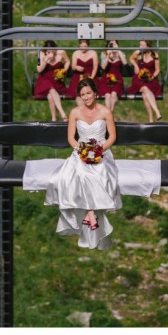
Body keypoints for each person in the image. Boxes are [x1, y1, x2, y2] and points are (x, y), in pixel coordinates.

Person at [45, 78, 122, 250]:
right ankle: (90, 213)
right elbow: (71, 138)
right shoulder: (75, 112)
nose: (86, 97)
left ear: (95, 92)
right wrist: (82, 150)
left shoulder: (105, 112)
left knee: (98, 172)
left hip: (101, 150)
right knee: (75, 173)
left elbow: (112, 137)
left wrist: (99, 150)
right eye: (82, 95)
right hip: (82, 150)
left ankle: (90, 214)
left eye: (88, 93)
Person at [127, 40, 163, 122]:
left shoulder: (154, 55)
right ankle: (157, 111)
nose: (141, 47)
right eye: (140, 45)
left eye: (143, 46)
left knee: (144, 95)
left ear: (148, 46)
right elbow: (131, 59)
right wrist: (135, 65)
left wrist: (152, 77)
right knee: (145, 88)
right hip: (139, 79)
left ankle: (151, 119)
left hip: (150, 79)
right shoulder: (138, 53)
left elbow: (157, 69)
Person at [34, 40, 70, 121]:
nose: (51, 54)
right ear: (45, 51)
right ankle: (62, 113)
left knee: (50, 96)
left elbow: (67, 61)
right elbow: (39, 69)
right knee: (51, 89)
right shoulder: (41, 54)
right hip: (44, 79)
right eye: (49, 52)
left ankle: (54, 119)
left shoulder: (61, 52)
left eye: (53, 51)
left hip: (56, 79)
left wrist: (63, 71)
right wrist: (45, 60)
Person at [98, 40, 125, 113]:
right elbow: (103, 67)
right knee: (107, 96)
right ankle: (109, 115)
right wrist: (108, 55)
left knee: (114, 94)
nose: (113, 46)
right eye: (111, 44)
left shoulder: (120, 53)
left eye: (114, 44)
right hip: (106, 79)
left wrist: (118, 50)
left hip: (117, 80)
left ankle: (110, 113)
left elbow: (125, 63)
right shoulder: (104, 54)